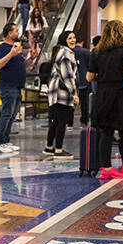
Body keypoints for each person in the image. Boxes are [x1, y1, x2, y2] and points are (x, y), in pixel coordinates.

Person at [87, 19, 123, 179]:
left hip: (103, 95)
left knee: (106, 132)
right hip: (121, 95)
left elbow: (89, 77)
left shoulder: (97, 52)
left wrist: (104, 74)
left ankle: (106, 168)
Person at [0, 22, 25, 154]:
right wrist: (11, 54)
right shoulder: (2, 48)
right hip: (7, 86)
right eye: (16, 31)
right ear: (9, 34)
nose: (18, 33)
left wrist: (29, 58)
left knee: (12, 115)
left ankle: (5, 140)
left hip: (17, 86)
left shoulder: (16, 48)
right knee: (6, 114)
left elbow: (19, 65)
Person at [44, 30, 78, 158]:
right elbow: (67, 76)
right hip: (61, 92)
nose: (73, 40)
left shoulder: (63, 52)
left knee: (57, 120)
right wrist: (74, 93)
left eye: (74, 37)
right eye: (70, 38)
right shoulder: (65, 53)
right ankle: (58, 150)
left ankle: (49, 147)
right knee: (62, 121)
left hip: (57, 92)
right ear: (64, 40)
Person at [74, 36, 92, 125]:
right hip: (84, 80)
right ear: (82, 42)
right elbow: (91, 66)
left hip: (73, 81)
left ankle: (69, 121)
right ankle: (84, 119)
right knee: (84, 102)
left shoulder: (71, 52)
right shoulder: (86, 52)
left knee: (71, 102)